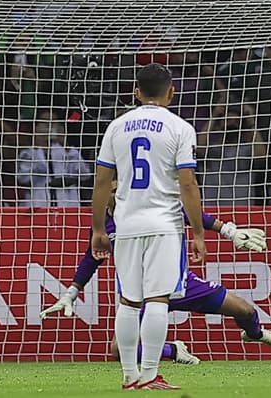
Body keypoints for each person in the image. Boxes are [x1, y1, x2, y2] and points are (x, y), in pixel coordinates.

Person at [39, 204, 271, 364]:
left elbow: (192, 214)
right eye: (110, 190)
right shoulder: (105, 226)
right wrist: (71, 293)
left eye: (118, 189)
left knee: (246, 310)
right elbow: (92, 258)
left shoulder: (153, 208)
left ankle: (255, 334)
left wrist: (230, 231)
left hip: (182, 286)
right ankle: (174, 351)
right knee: (120, 350)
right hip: (142, 295)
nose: (114, 196)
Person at [89, 64, 205, 391]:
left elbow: (101, 181)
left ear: (136, 93)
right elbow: (187, 184)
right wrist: (197, 231)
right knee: (157, 299)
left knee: (128, 300)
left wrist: (99, 227)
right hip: (164, 223)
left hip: (126, 222)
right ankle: (150, 374)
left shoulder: (116, 127)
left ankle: (129, 376)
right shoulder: (180, 127)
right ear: (171, 92)